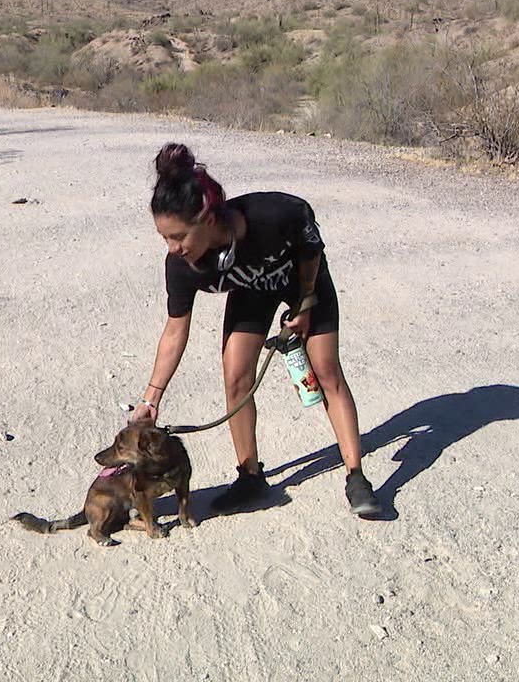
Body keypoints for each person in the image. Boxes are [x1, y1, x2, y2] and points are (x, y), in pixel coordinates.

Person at [129, 143, 382, 517]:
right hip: (255, 291)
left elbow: (311, 247)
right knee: (235, 376)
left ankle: (357, 476)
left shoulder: (274, 214)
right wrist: (151, 400)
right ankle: (250, 476)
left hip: (302, 281)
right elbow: (174, 331)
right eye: (164, 238)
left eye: (179, 236)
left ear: (206, 217)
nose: (172, 248)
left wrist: (306, 302)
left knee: (326, 370)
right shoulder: (181, 267)